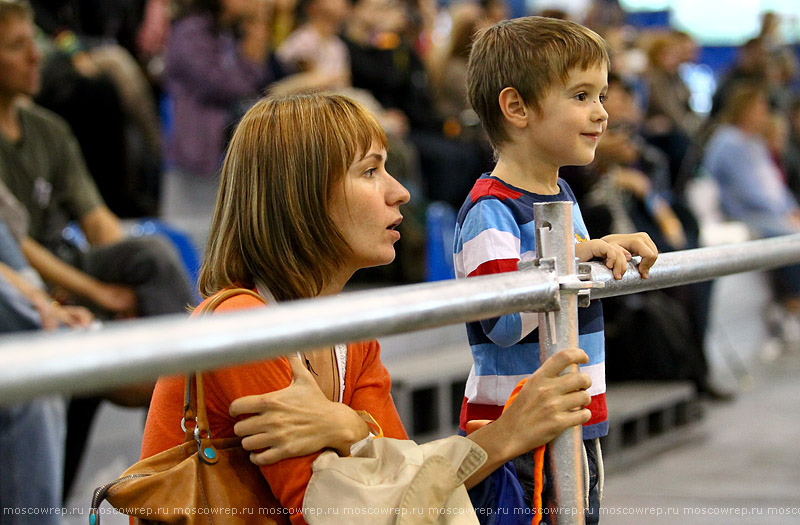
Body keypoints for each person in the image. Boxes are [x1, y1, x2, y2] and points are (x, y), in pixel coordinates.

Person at [141, 92, 596, 525]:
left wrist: (349, 431)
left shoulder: (351, 334)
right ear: (301, 196)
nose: (399, 192)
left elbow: (403, 479)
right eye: (370, 171)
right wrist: (501, 436)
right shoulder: (241, 326)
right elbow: (344, 509)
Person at [455, 16, 658, 523]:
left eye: (603, 96)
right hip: (516, 437)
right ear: (517, 107)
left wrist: (597, 248)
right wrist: (573, 256)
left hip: (573, 418)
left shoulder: (561, 195)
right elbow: (500, 323)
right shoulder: (490, 209)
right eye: (582, 96)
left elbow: (573, 266)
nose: (602, 114)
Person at [0, 0, 197, 500]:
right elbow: (14, 246)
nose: (34, 57)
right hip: (31, 279)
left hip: (64, 264)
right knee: (59, 372)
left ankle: (194, 371)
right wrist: (97, 295)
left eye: (33, 43)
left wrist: (126, 281)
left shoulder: (48, 129)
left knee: (149, 253)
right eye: (16, 46)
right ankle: (171, 390)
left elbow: (99, 223)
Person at [702, 82, 800, 322]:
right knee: (791, 237)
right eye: (760, 107)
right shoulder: (728, 141)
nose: (765, 113)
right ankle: (792, 301)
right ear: (745, 109)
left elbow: (775, 185)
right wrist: (785, 214)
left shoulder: (754, 142)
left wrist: (792, 208)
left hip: (768, 211)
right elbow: (750, 191)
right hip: (743, 213)